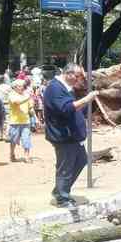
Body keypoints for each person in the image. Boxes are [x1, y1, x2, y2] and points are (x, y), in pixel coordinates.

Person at [44, 63, 100, 208]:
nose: (78, 80)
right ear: (68, 74)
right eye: (77, 76)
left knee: (81, 160)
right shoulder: (55, 88)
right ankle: (62, 198)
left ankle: (60, 190)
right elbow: (66, 108)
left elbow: (74, 108)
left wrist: (88, 103)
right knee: (66, 166)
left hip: (72, 135)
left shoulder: (66, 89)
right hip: (63, 135)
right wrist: (87, 99)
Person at [8, 79, 34, 162]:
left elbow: (30, 105)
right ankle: (12, 153)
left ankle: (27, 156)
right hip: (14, 121)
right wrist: (28, 97)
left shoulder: (26, 95)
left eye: (22, 86)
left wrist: (31, 108)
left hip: (26, 121)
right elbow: (16, 102)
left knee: (26, 139)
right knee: (13, 140)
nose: (22, 87)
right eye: (20, 86)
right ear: (15, 87)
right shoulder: (11, 95)